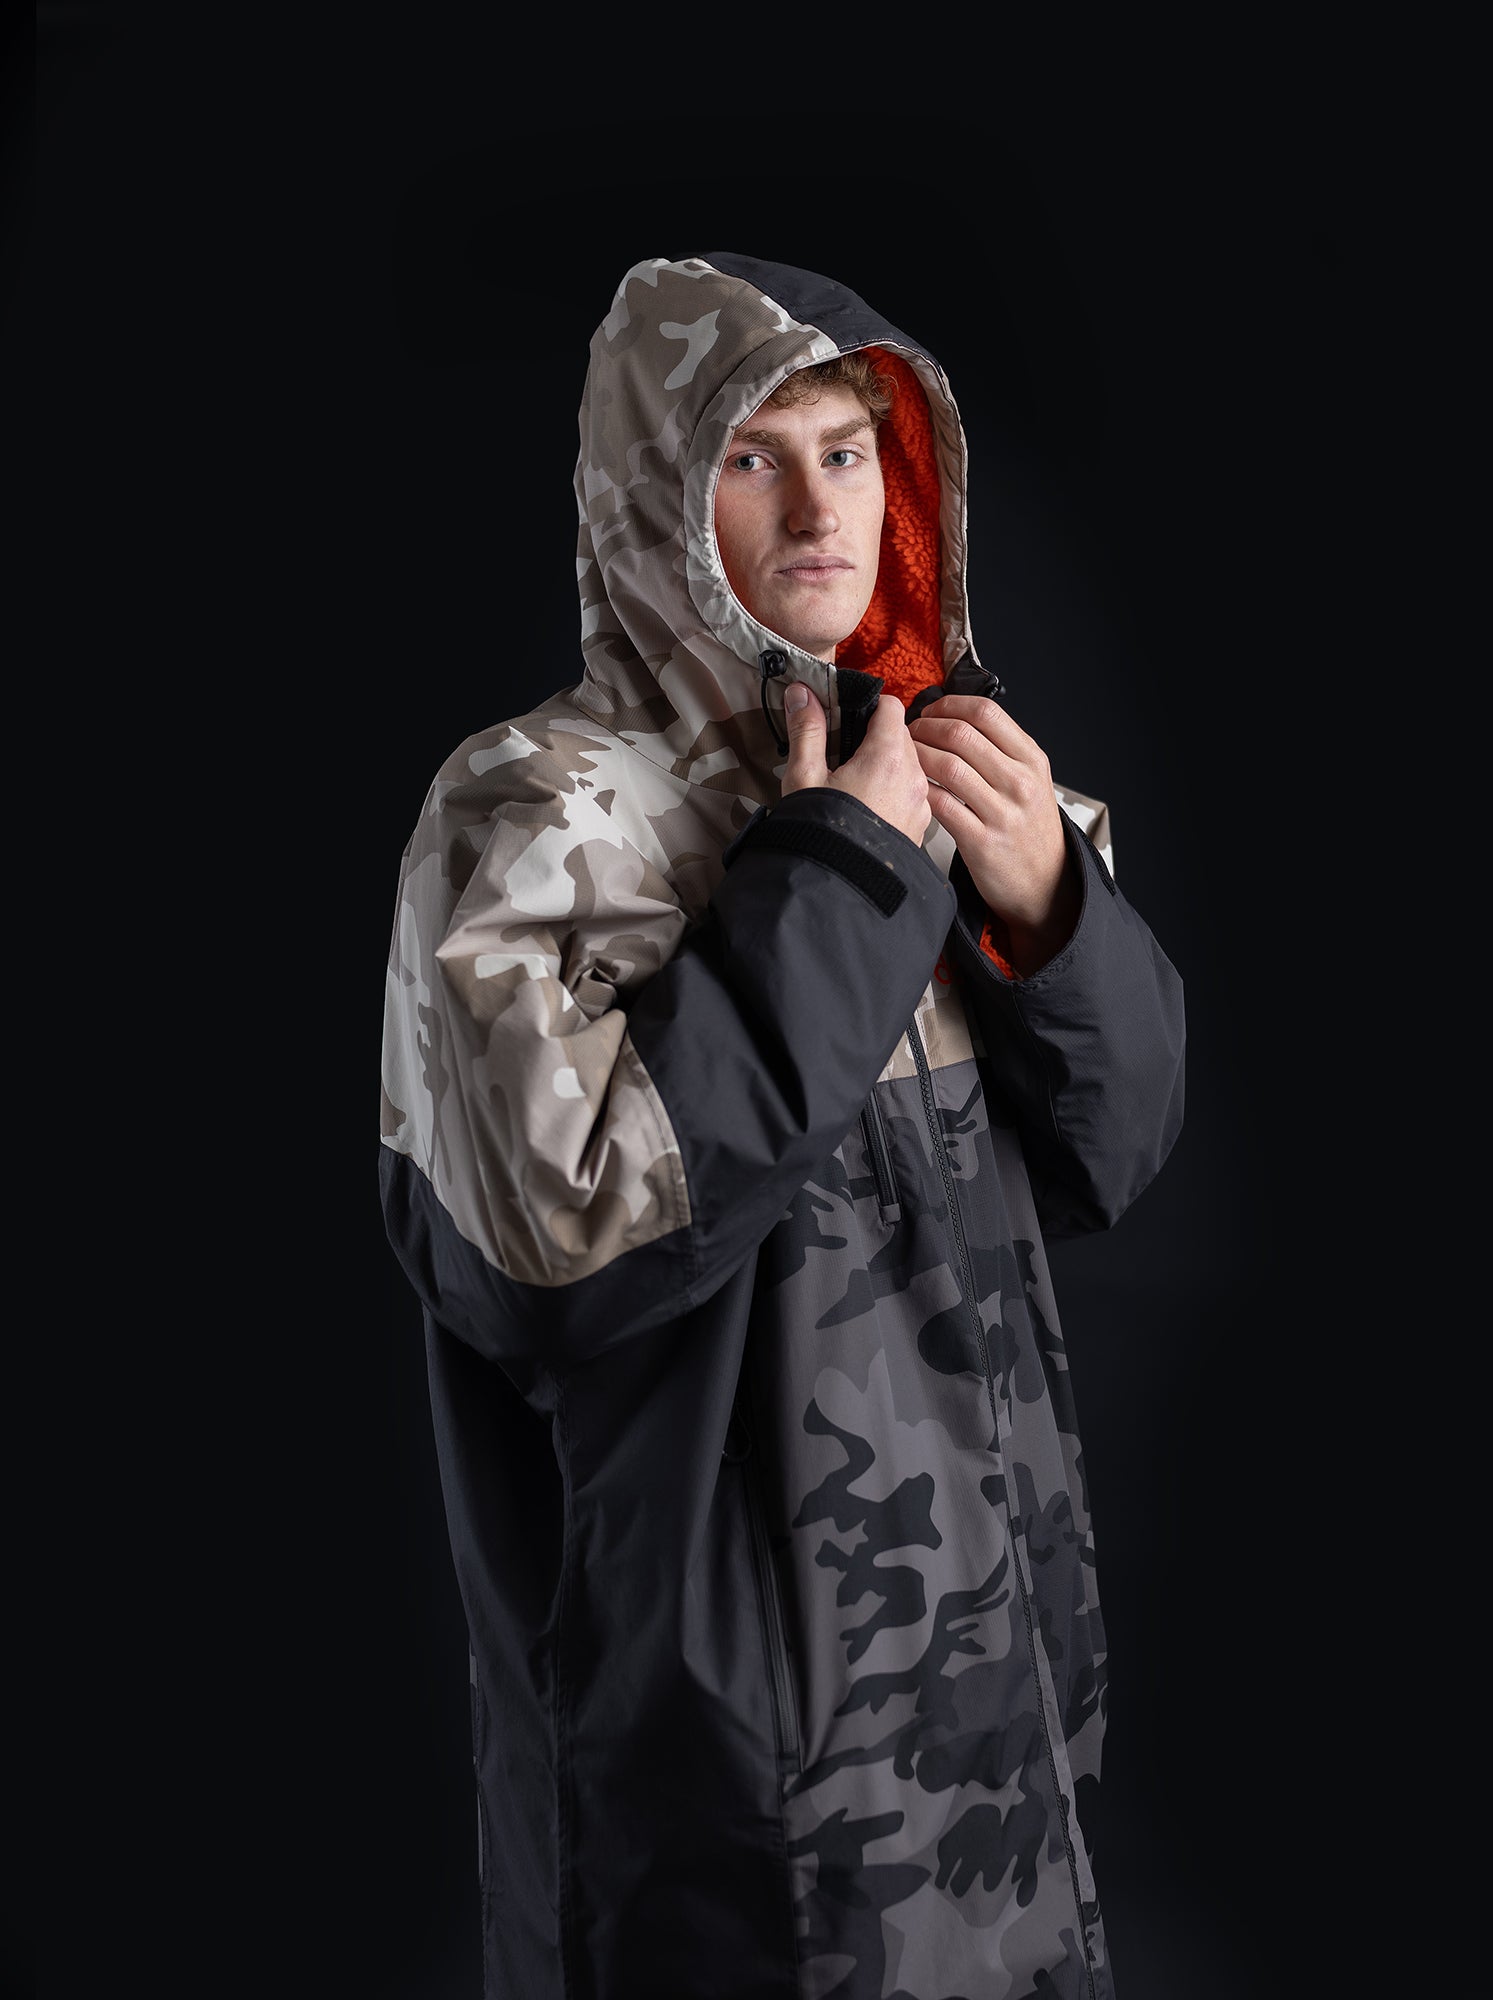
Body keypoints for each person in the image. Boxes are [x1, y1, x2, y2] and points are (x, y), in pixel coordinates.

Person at [378, 251, 1186, 2000]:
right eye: (753, 457)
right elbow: (551, 1256)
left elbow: (1112, 1156)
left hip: (1002, 1717)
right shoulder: (533, 812)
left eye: (848, 452)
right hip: (716, 1795)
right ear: (655, 492)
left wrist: (1059, 918)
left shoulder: (951, 774)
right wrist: (839, 883)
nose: (820, 509)